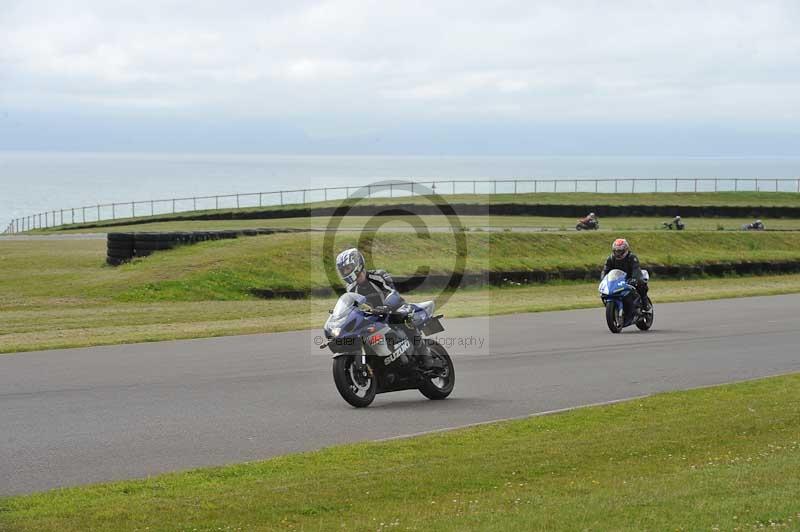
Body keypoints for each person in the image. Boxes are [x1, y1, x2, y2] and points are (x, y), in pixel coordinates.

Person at [335, 248, 434, 368]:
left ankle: (425, 356)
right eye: (343, 270)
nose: (345, 272)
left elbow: (392, 292)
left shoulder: (378, 276)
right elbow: (352, 305)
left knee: (404, 316)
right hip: (373, 317)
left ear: (357, 264)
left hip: (394, 308)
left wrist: (386, 306)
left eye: (348, 268)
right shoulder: (350, 288)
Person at [601, 238, 651, 312]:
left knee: (641, 284)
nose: (618, 253)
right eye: (616, 251)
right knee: (604, 293)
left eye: (620, 251)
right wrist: (603, 279)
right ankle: (613, 308)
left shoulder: (632, 257)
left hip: (630, 278)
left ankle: (645, 303)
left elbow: (636, 269)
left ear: (625, 250)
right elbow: (605, 270)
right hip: (618, 280)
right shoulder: (610, 259)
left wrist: (634, 278)